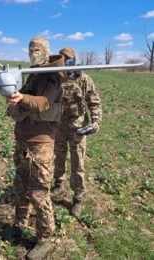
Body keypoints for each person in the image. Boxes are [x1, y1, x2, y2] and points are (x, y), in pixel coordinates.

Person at [1, 37, 65, 260]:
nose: (32, 52)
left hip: (41, 143)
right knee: (20, 186)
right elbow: (23, 98)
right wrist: (13, 95)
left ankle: (44, 239)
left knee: (38, 192)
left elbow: (44, 103)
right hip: (23, 140)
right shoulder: (34, 73)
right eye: (30, 49)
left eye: (36, 49)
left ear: (46, 51)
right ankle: (19, 225)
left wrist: (23, 97)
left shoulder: (52, 76)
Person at [53, 47, 102, 218]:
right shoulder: (56, 77)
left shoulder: (84, 79)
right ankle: (58, 184)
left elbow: (94, 102)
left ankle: (78, 198)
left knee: (78, 163)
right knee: (58, 157)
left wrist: (95, 121)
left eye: (67, 58)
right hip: (58, 126)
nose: (64, 61)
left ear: (73, 59)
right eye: (62, 58)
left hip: (78, 128)